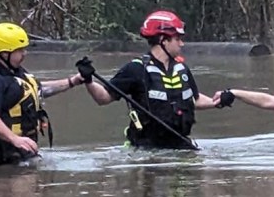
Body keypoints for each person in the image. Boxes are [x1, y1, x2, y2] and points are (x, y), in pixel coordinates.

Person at [78, 10, 217, 149]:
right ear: (163, 40)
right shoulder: (136, 69)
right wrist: (88, 80)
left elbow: (194, 100)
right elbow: (103, 97)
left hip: (180, 145)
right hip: (145, 149)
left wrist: (219, 101)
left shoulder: (182, 69)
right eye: (177, 39)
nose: (182, 44)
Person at [0, 22, 86, 166]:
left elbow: (36, 90)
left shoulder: (14, 73)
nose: (24, 53)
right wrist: (14, 139)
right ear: (5, 53)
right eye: (19, 50)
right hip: (5, 159)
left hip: (23, 154)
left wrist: (73, 81)